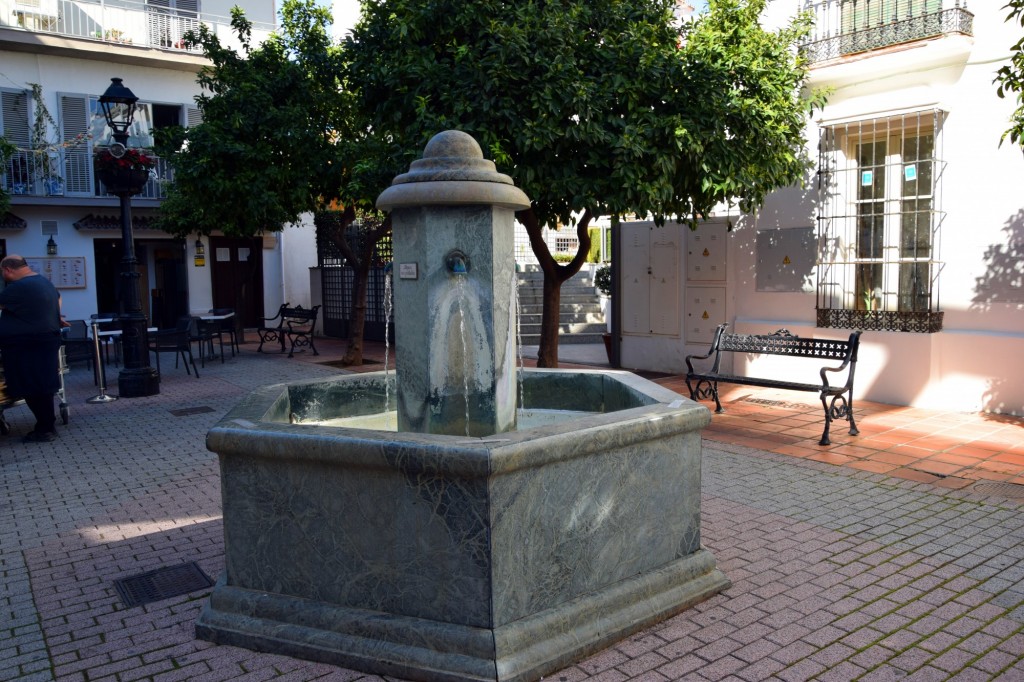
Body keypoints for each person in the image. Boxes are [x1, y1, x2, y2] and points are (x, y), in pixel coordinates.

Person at [0, 255, 63, 442]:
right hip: (43, 341)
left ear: (8, 270)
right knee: (42, 386)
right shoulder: (44, 282)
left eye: (2, 272)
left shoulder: (19, 287)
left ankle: (44, 429)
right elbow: (58, 300)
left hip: (27, 345)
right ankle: (47, 426)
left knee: (32, 386)